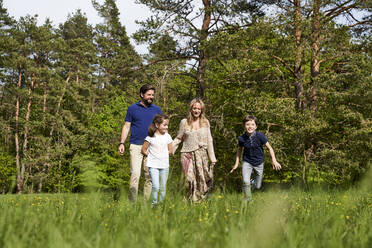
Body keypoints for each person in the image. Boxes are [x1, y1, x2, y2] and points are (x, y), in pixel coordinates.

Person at [118, 84, 162, 202]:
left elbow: (161, 129)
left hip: (151, 148)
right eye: (149, 94)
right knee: (135, 175)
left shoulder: (157, 110)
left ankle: (146, 205)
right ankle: (132, 203)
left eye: (152, 95)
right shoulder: (132, 108)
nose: (151, 97)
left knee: (150, 176)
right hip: (136, 146)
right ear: (142, 94)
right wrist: (122, 143)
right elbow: (127, 126)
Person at [173, 98, 216, 202]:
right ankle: (187, 200)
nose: (196, 111)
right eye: (194, 108)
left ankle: (199, 202)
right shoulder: (184, 122)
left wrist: (212, 158)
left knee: (202, 179)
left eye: (199, 109)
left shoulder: (205, 122)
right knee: (189, 179)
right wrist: (170, 149)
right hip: (187, 155)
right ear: (191, 109)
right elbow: (179, 138)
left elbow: (209, 140)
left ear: (202, 110)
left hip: (202, 155)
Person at [230, 115, 282, 201]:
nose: (250, 126)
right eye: (247, 124)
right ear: (244, 126)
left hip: (259, 162)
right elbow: (239, 151)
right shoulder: (241, 138)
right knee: (245, 181)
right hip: (247, 162)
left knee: (258, 186)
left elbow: (270, 148)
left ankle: (252, 182)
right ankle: (248, 199)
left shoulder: (260, 136)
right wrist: (236, 164)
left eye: (252, 124)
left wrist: (274, 160)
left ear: (256, 126)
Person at [141, 114, 173, 206]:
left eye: (167, 125)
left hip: (164, 165)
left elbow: (170, 150)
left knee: (163, 187)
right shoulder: (150, 137)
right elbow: (143, 150)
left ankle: (161, 205)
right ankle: (153, 204)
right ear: (157, 125)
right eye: (164, 125)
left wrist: (163, 154)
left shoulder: (168, 136)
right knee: (156, 186)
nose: (166, 127)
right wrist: (151, 155)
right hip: (153, 165)